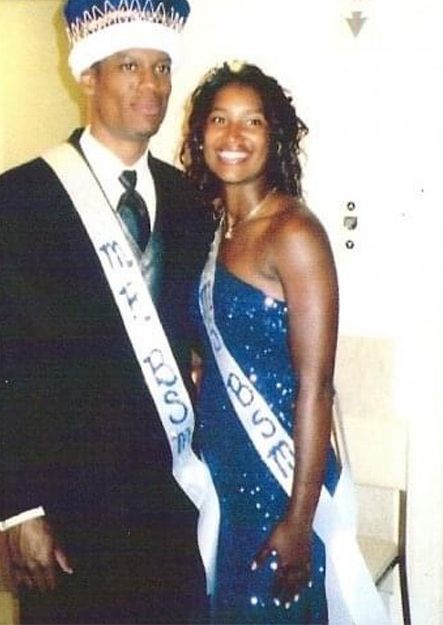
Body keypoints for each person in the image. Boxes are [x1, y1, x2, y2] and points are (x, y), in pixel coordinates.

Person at [0, 0, 216, 623]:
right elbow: (0, 365)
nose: (152, 85)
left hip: (173, 499)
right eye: (130, 66)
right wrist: (21, 510)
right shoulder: (20, 200)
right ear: (87, 76)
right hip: (71, 503)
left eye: (162, 67)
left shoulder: (194, 200)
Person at [180, 61, 383, 623]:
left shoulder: (293, 233)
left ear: (276, 137)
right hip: (225, 477)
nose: (234, 136)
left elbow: (316, 390)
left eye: (253, 121)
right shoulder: (214, 229)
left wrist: (299, 522)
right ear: (200, 135)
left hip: (282, 483)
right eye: (220, 119)